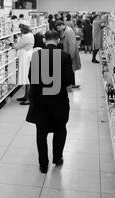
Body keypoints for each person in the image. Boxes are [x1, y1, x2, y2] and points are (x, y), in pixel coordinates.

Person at [26, 30, 73, 173]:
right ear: (58, 40)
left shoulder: (37, 55)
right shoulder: (64, 56)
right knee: (60, 130)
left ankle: (43, 164)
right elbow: (69, 80)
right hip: (59, 101)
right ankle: (57, 157)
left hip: (41, 102)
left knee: (41, 133)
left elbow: (31, 78)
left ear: (45, 41)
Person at [13, 21, 34, 105]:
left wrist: (11, 44)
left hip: (26, 56)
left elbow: (17, 46)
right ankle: (26, 96)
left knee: (27, 77)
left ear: (24, 28)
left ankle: (28, 98)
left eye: (21, 28)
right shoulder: (30, 34)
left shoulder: (26, 36)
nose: (20, 29)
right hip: (27, 55)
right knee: (26, 76)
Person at [55, 21, 81, 89]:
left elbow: (72, 44)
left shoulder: (69, 31)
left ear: (62, 25)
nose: (58, 29)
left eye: (58, 28)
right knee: (70, 69)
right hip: (67, 52)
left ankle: (71, 84)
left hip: (70, 53)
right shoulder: (65, 31)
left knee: (71, 69)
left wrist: (70, 56)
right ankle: (71, 84)